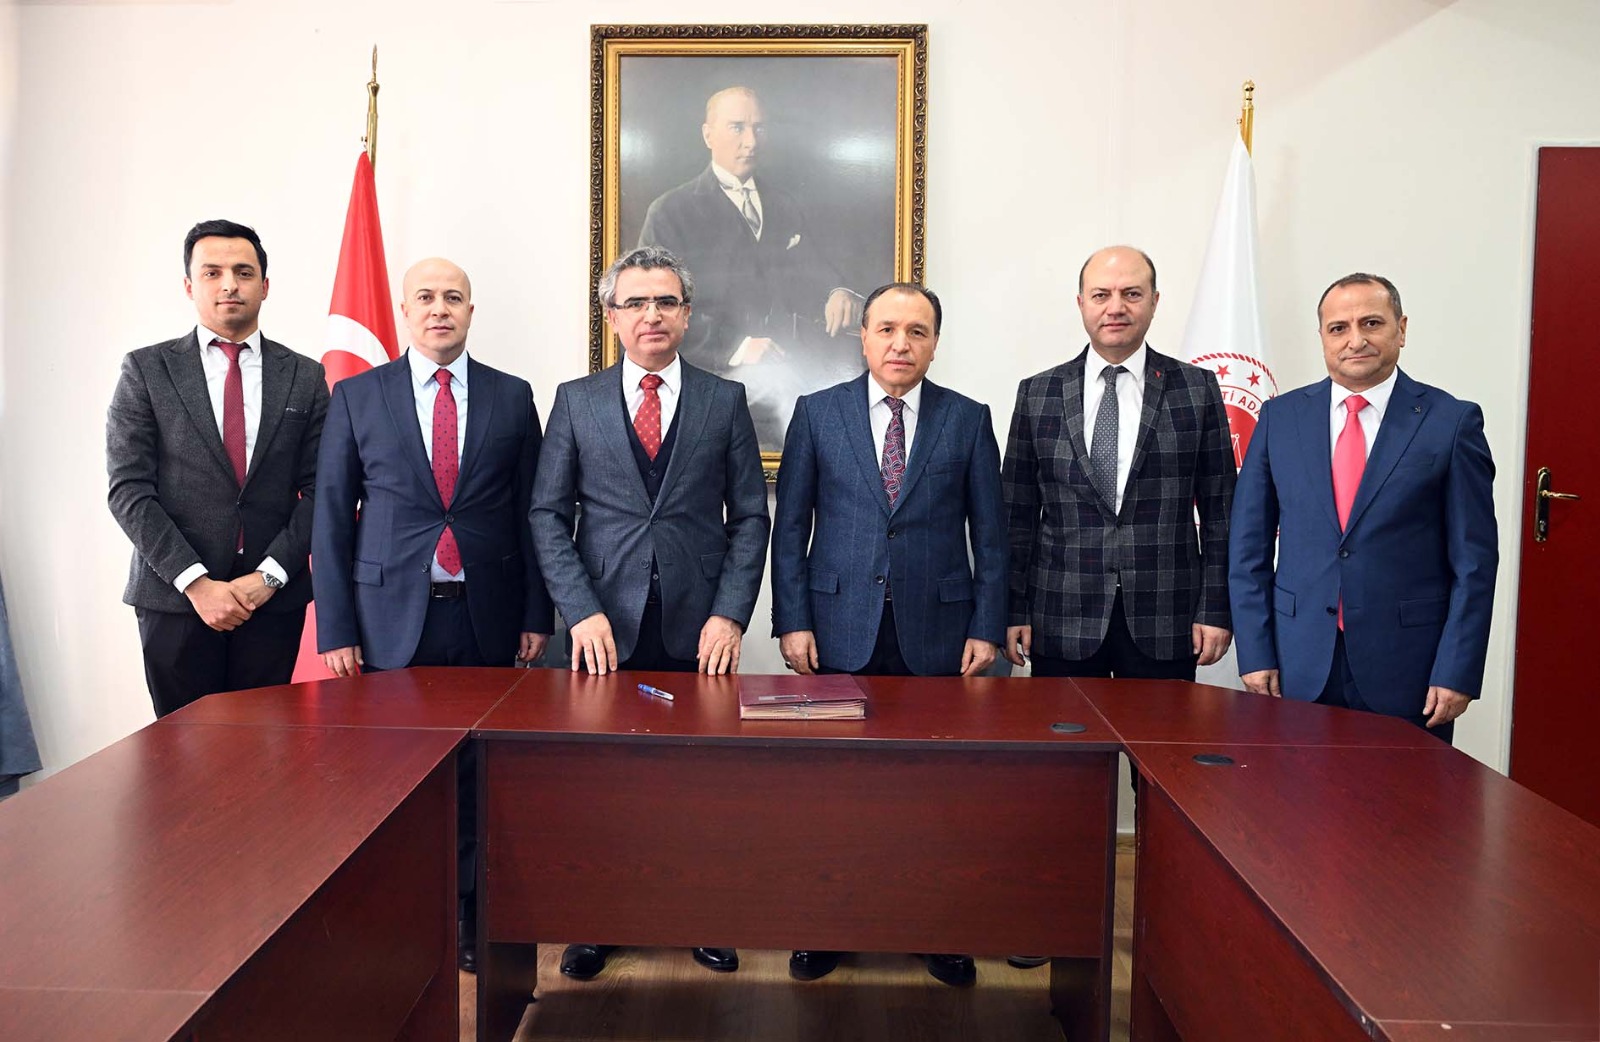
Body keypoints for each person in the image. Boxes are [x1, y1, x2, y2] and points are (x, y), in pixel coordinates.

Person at [530, 244, 769, 981]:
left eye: (665, 301)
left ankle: (700, 916)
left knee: (696, 784)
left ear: (688, 314)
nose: (651, 315)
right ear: (611, 318)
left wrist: (731, 615)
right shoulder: (576, 399)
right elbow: (546, 514)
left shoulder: (724, 400)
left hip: (699, 631)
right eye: (634, 302)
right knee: (601, 787)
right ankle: (597, 921)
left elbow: (751, 518)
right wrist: (580, 613)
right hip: (602, 632)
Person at [312, 256, 553, 973]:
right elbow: (329, 514)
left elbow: (533, 513)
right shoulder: (358, 396)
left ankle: (475, 922)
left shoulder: (513, 397)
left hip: (487, 615)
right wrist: (337, 629)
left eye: (454, 297)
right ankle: (408, 922)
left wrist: (536, 613)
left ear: (472, 311)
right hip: (388, 621)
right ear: (403, 311)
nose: (440, 308)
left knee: (481, 778)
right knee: (396, 781)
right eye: (426, 297)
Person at [770, 282, 1004, 987]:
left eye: (918, 331)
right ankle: (827, 925)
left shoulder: (967, 419)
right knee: (836, 794)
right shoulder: (819, 414)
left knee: (937, 797)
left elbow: (990, 537)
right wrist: (793, 620)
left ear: (936, 341)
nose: (902, 343)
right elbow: (791, 533)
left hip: (941, 633)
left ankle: (937, 930)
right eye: (888, 329)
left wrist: (988, 625)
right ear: (863, 336)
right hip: (838, 627)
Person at [1229, 273, 1497, 743]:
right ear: (1322, 338)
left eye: (1371, 323)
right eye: (1339, 328)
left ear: (1402, 329)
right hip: (1298, 662)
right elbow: (1247, 547)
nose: (1356, 340)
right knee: (1295, 811)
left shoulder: (1451, 422)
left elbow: (1474, 563)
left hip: (1408, 667)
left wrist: (1458, 668)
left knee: (1403, 811)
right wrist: (1255, 652)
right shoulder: (1279, 418)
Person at [107, 219, 327, 718]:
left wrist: (267, 578)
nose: (229, 284)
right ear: (190, 286)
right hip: (176, 601)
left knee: (266, 762)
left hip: (271, 603)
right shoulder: (146, 370)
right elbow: (129, 491)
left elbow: (322, 490)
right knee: (183, 761)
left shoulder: (306, 376)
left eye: (243, 272)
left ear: (265, 287)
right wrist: (197, 584)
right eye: (212, 272)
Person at [1001, 245, 1236, 682]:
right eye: (1100, 295)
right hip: (1060, 617)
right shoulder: (1038, 393)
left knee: (1165, 749)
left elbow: (1223, 513)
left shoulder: (1197, 389)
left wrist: (1216, 608)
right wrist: (1013, 608)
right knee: (1067, 749)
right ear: (1080, 303)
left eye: (1131, 293)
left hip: (1167, 616)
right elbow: (1016, 517)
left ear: (1154, 302)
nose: (1115, 308)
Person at [638, 85, 864, 442]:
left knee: (846, 394)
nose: (751, 140)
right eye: (737, 127)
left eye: (759, 128)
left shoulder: (784, 204)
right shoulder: (670, 212)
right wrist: (738, 346)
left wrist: (837, 290)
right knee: (794, 397)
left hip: (792, 352)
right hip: (712, 367)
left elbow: (812, 268)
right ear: (707, 134)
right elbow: (656, 309)